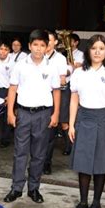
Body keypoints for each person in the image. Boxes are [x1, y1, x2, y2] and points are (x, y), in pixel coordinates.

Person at [3, 29, 60, 204]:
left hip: (43, 114)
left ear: (47, 47)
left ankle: (34, 188)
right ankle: (16, 188)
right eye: (35, 45)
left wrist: (56, 114)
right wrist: (10, 112)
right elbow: (12, 89)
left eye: (42, 45)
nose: (38, 48)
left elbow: (56, 91)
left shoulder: (51, 67)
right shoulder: (20, 65)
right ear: (29, 46)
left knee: (39, 154)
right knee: (20, 152)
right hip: (24, 113)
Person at [68, 34, 105, 208]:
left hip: (104, 119)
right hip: (83, 117)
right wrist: (72, 124)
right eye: (94, 48)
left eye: (101, 48)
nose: (97, 52)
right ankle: (83, 201)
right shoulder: (78, 72)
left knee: (100, 163)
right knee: (83, 163)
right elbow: (74, 99)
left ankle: (96, 203)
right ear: (88, 51)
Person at [43, 29, 68, 175]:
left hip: (54, 96)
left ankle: (47, 163)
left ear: (55, 43)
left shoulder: (60, 59)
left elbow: (62, 80)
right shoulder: (35, 57)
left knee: (50, 133)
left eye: (49, 40)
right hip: (38, 98)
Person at [60, 33, 84, 156]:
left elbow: (79, 68)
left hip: (74, 86)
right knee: (62, 116)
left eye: (70, 41)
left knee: (68, 116)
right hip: (63, 86)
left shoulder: (81, 54)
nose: (67, 44)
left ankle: (70, 145)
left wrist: (73, 65)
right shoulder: (61, 54)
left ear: (76, 43)